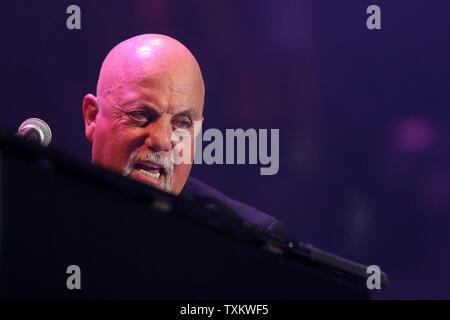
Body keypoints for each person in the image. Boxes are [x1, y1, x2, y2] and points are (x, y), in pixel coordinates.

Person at [82, 34, 286, 240]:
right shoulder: (51, 205)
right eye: (141, 114)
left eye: (182, 124)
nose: (161, 140)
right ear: (92, 117)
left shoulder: (247, 237)